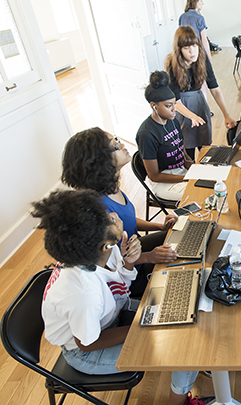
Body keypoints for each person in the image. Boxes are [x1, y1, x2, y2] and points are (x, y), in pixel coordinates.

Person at [35, 190, 204, 405]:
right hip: (86, 353)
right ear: (104, 245)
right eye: (110, 219)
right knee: (185, 349)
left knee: (185, 304)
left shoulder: (98, 252)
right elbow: (87, 343)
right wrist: (142, 327)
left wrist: (129, 262)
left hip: (112, 316)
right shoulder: (83, 294)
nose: (114, 215)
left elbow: (118, 289)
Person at [61, 127, 179, 296]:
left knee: (182, 234)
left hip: (134, 249)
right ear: (99, 161)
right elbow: (109, 261)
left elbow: (128, 219)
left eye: (117, 139)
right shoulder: (96, 208)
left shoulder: (111, 187)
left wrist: (160, 227)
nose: (121, 144)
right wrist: (150, 257)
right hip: (126, 275)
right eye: (114, 145)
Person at [165, 26, 236, 161]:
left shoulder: (202, 59)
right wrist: (192, 116)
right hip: (182, 108)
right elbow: (176, 102)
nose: (192, 51)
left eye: (195, 46)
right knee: (188, 148)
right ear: (179, 50)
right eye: (186, 48)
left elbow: (215, 89)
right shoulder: (172, 64)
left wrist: (226, 115)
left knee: (205, 146)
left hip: (199, 102)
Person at [136, 71, 192, 202]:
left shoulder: (173, 121)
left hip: (181, 172)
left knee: (214, 184)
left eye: (174, 104)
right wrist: (187, 178)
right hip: (164, 182)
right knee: (199, 193)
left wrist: (195, 169)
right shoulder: (146, 134)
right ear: (153, 106)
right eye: (168, 106)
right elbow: (154, 176)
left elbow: (182, 151)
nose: (174, 109)